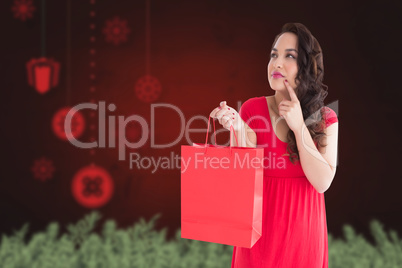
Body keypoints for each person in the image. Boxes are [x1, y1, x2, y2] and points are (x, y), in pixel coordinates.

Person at [209, 22, 339, 267]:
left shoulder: (325, 120)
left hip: (304, 243)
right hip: (258, 243)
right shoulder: (253, 109)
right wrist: (237, 129)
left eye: (289, 56)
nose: (276, 63)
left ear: (307, 66)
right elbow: (242, 181)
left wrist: (299, 126)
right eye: (273, 55)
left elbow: (322, 183)